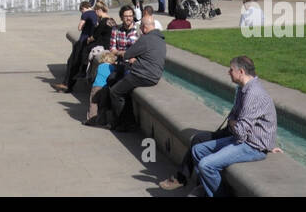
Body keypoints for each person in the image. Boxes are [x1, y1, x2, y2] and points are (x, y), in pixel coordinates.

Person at [159, 55, 278, 195]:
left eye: (231, 70)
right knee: (197, 150)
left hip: (252, 146)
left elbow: (240, 131)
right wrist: (234, 122)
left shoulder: (252, 94)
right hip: (243, 139)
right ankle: (209, 189)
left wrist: (234, 123)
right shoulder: (243, 88)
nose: (228, 72)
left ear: (241, 72)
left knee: (206, 165)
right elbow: (234, 116)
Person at [107, 12, 166, 131]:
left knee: (115, 91)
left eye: (141, 27)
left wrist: (119, 53)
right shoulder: (160, 39)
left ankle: (124, 123)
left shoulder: (145, 39)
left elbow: (127, 54)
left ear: (144, 27)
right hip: (153, 74)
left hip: (143, 75)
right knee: (123, 88)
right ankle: (130, 120)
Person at [56, 0, 100, 93]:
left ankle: (66, 85)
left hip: (83, 41)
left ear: (83, 8)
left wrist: (83, 26)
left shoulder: (86, 14)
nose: (82, 12)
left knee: (72, 62)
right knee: (75, 63)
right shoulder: (96, 14)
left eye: (81, 10)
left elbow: (79, 27)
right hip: (90, 42)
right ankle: (68, 85)